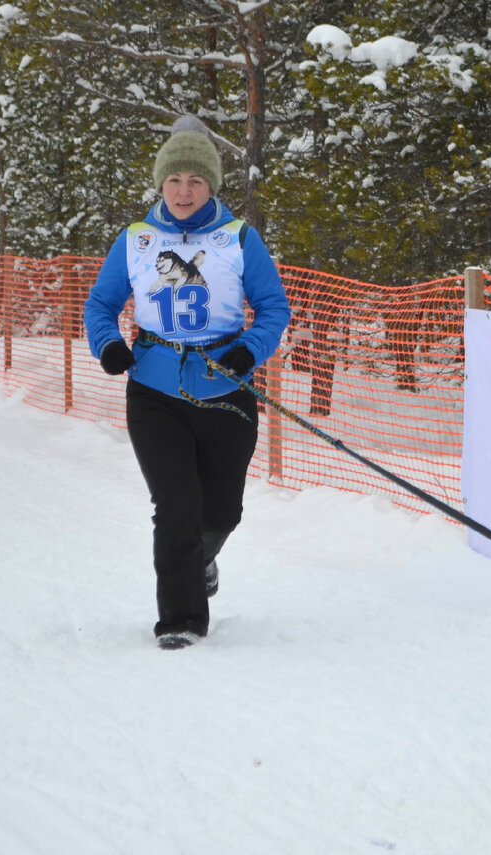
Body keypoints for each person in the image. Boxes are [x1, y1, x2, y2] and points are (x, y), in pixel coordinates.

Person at [84, 116, 291, 650]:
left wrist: (250, 350)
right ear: (161, 182)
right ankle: (180, 619)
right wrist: (108, 345)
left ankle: (200, 560)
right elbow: (101, 304)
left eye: (195, 181)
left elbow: (272, 307)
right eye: (174, 180)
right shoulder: (135, 240)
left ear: (211, 185)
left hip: (226, 384)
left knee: (221, 510)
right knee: (175, 503)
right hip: (154, 388)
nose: (183, 190)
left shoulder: (240, 238)